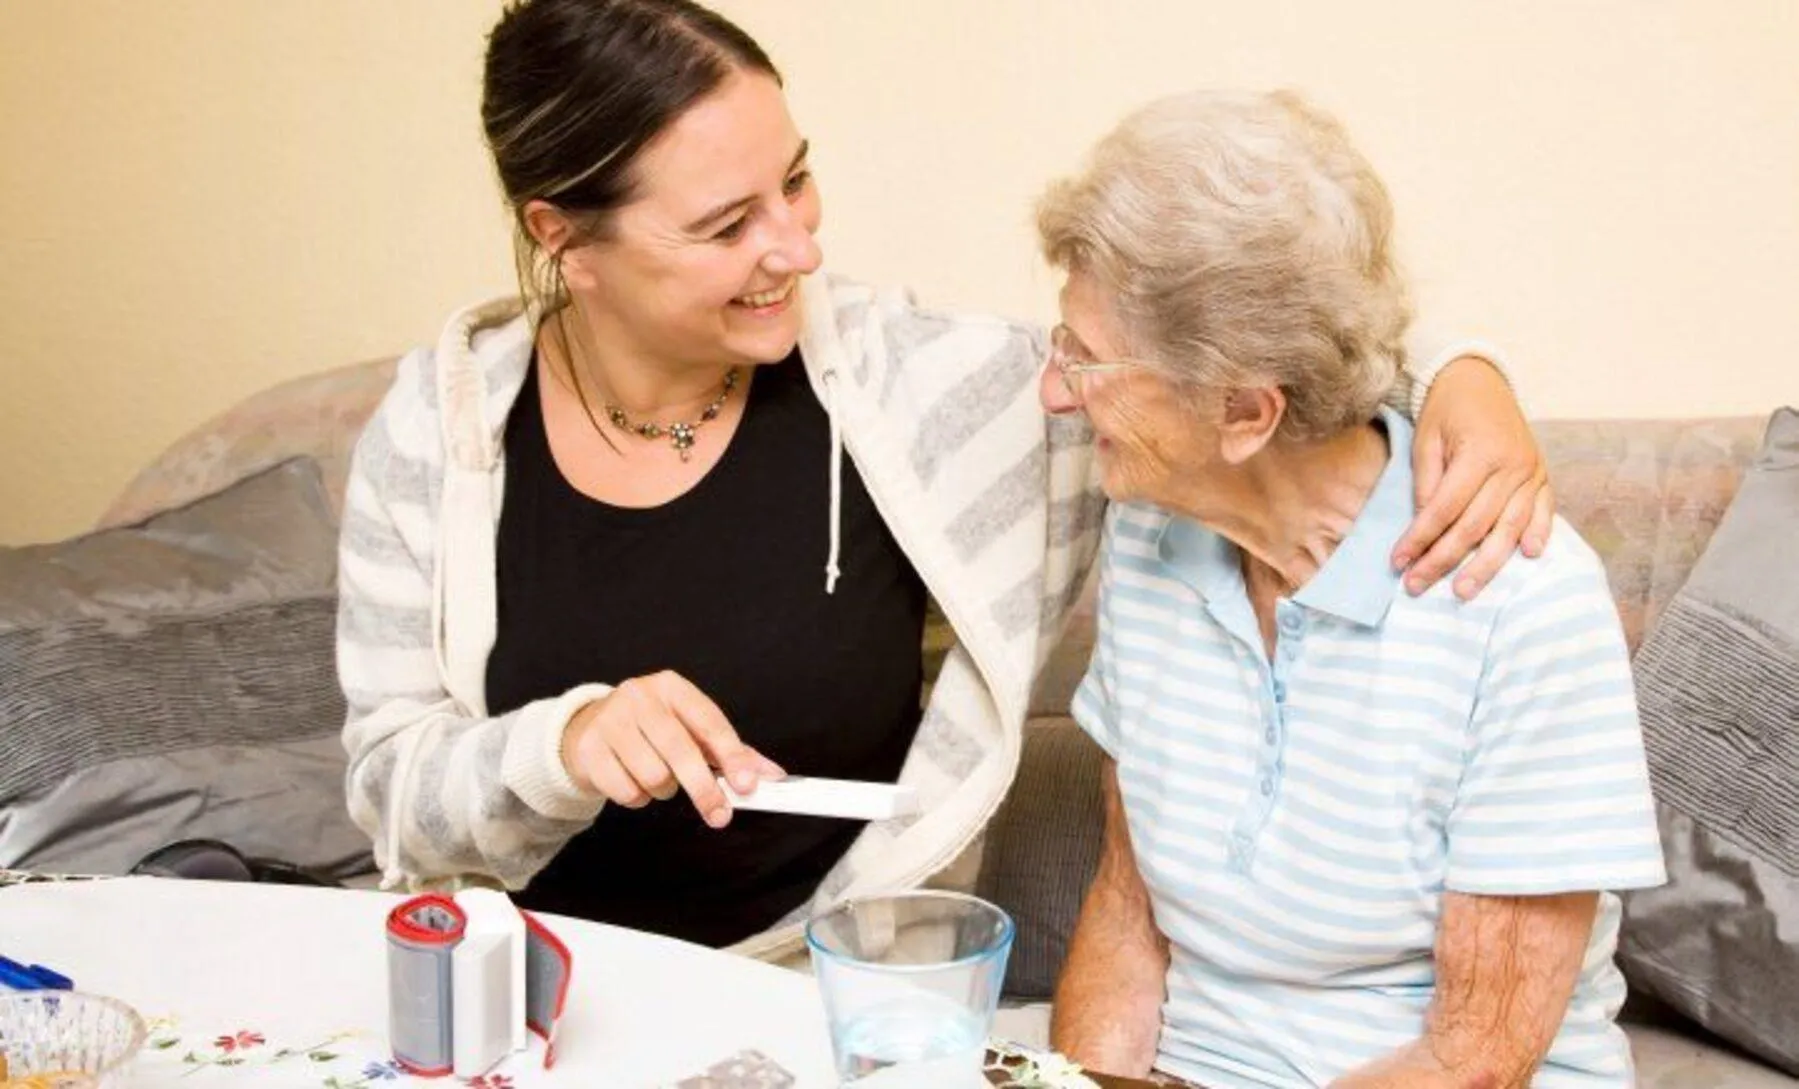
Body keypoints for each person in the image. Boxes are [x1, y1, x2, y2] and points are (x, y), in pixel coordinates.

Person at [336, 0, 1551, 957]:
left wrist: (1459, 373)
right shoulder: (437, 431)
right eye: (725, 226)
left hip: (825, 992)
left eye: (795, 181)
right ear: (562, 237)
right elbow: (386, 791)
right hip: (518, 989)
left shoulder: (928, 392)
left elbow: (1227, 356)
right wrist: (564, 744)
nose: (796, 247)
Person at [1038, 90, 1665, 1087]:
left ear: (1245, 413)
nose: (1053, 391)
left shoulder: (1520, 602)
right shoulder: (1149, 531)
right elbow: (1127, 910)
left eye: (1085, 358)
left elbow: (1474, 1058)